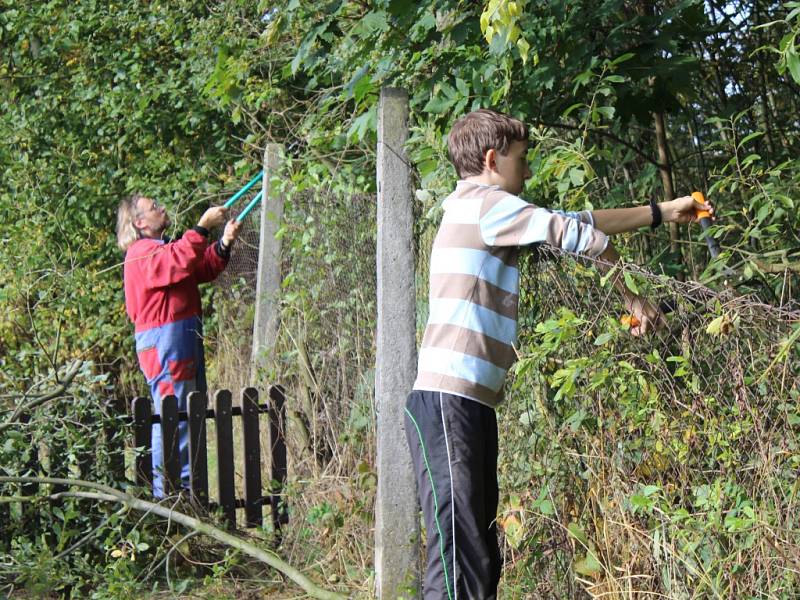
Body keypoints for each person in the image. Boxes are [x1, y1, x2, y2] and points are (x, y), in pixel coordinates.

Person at [405, 109, 713, 599]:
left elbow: (577, 222)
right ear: (491, 159)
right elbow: (585, 238)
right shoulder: (488, 205)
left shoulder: (483, 210)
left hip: (465, 403)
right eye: (521, 160)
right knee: (459, 561)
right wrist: (634, 300)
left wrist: (660, 212)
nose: (527, 173)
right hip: (449, 402)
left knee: (478, 554)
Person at [116, 194, 242, 497]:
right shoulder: (142, 252)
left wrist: (223, 242)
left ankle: (186, 492)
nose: (162, 208)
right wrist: (201, 227)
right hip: (164, 344)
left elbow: (199, 267)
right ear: (139, 222)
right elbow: (179, 259)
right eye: (154, 207)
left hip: (176, 340)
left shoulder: (162, 250)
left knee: (187, 413)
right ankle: (172, 496)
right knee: (173, 415)